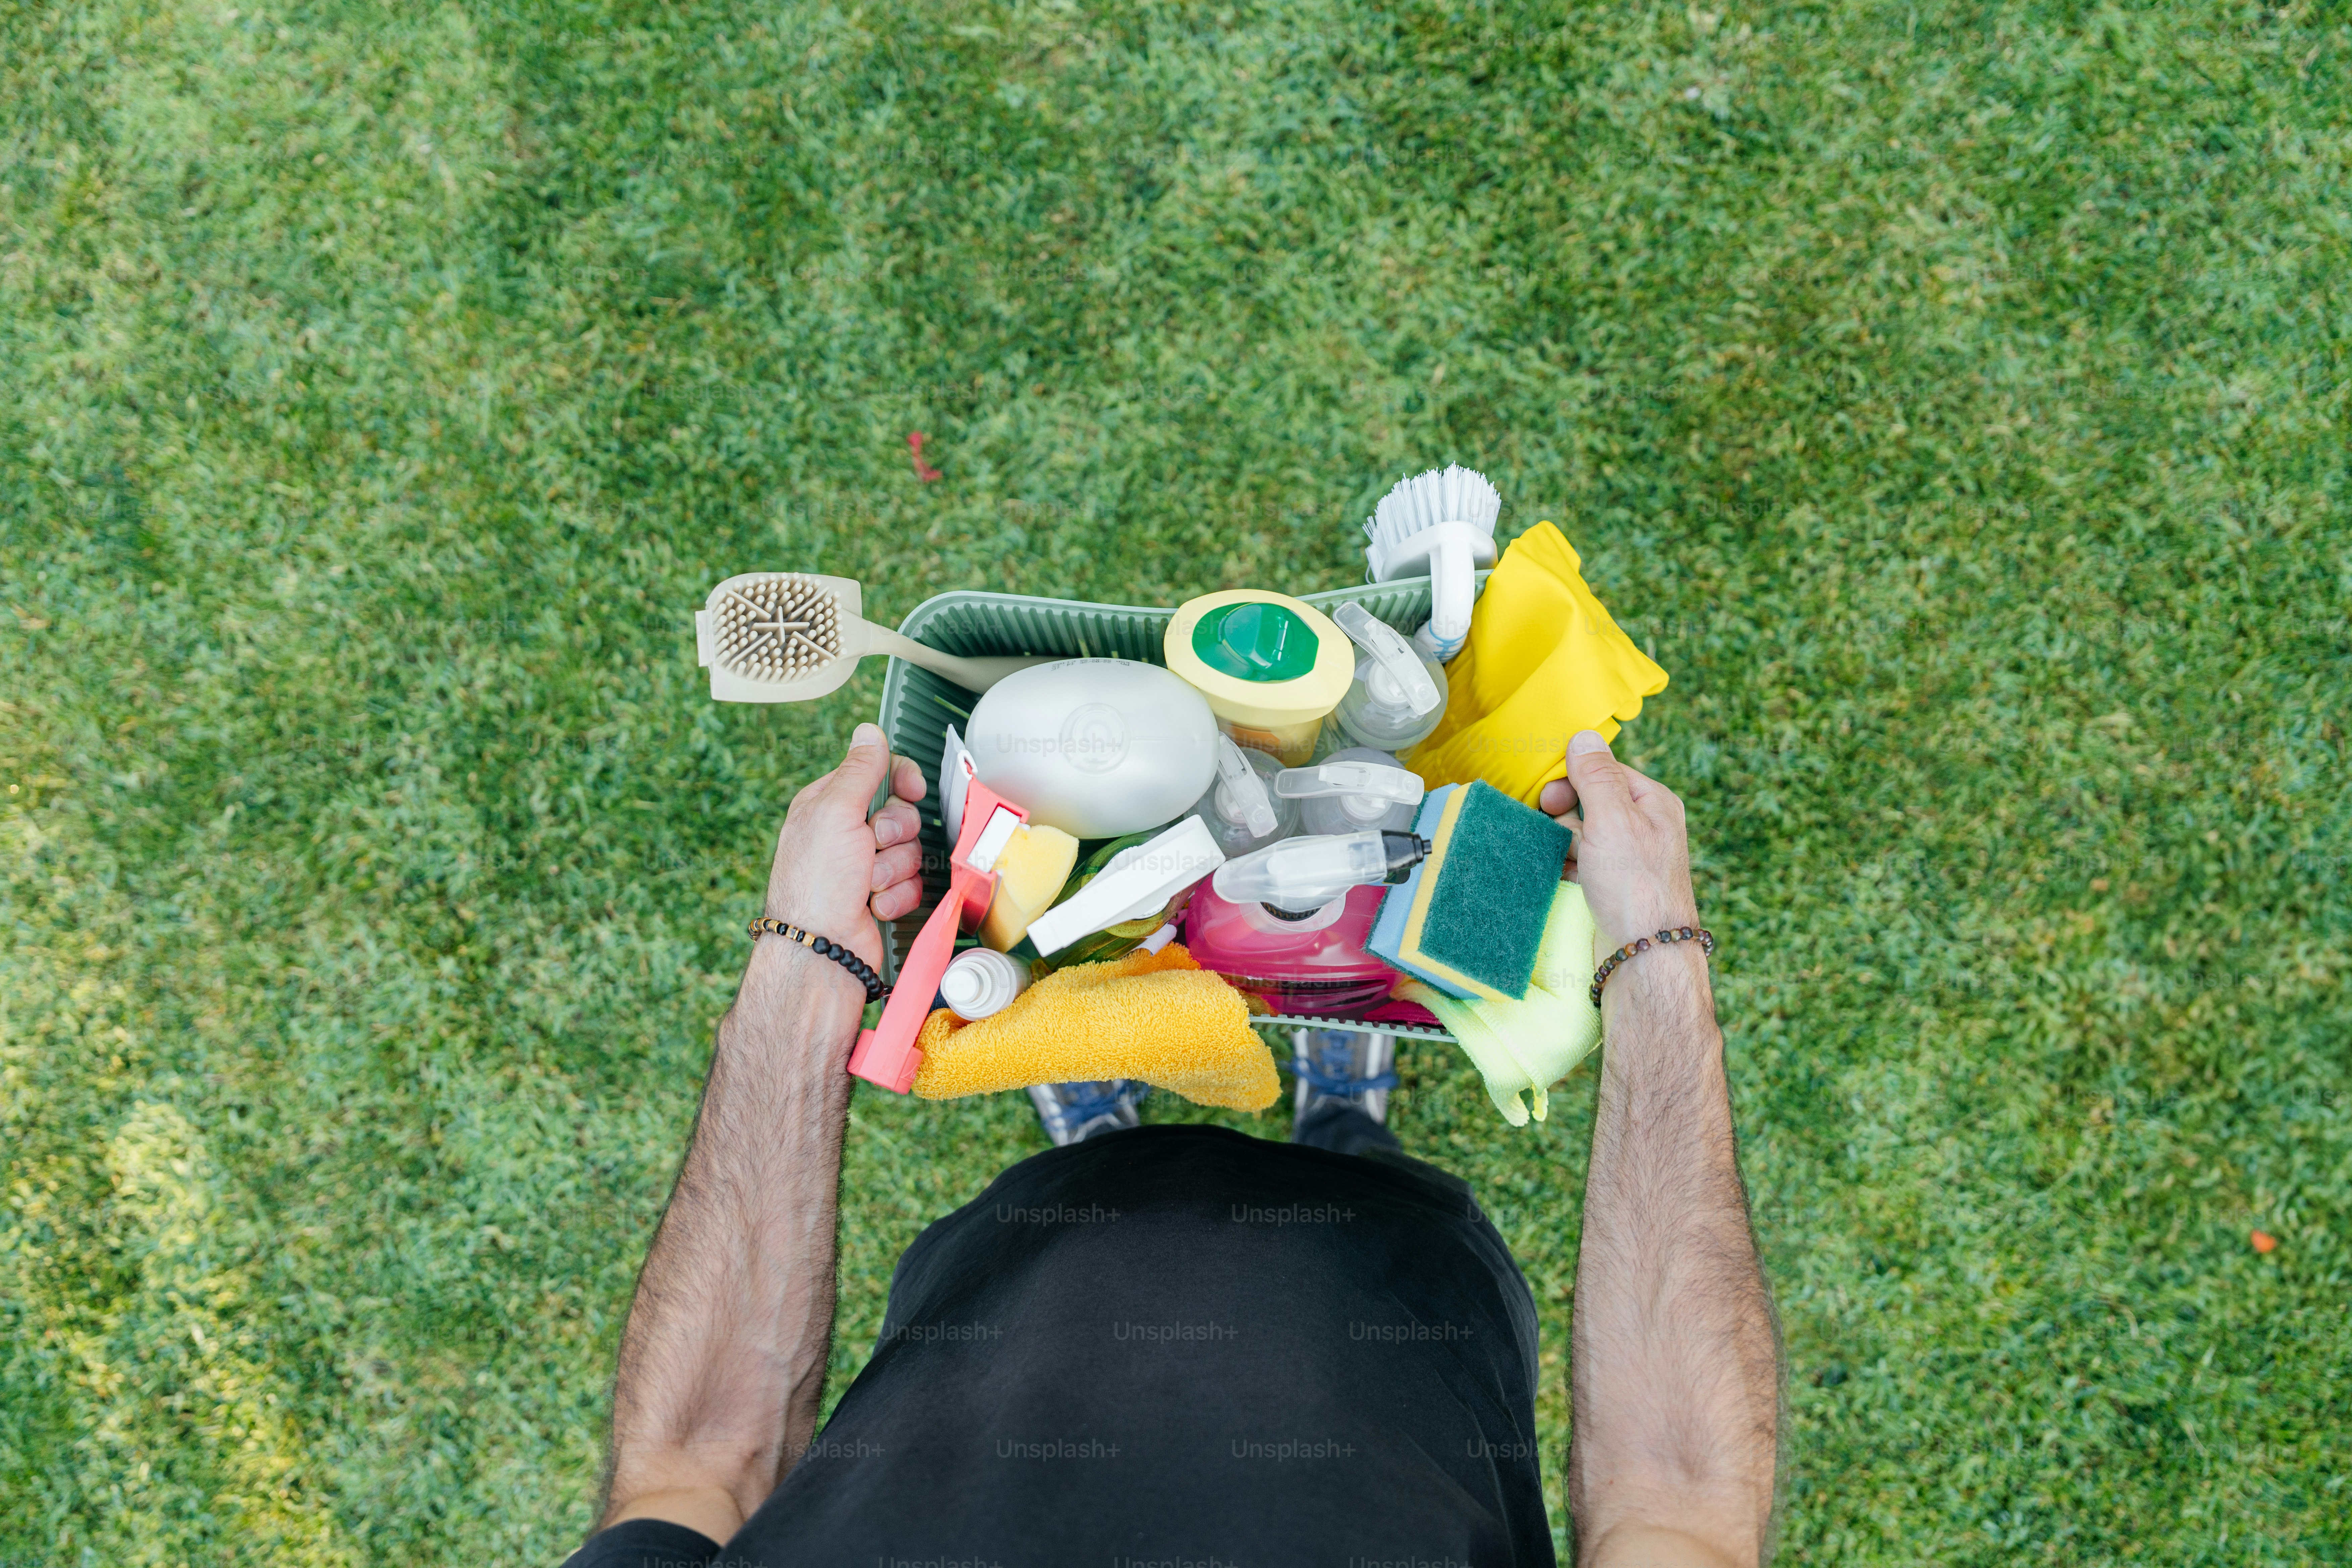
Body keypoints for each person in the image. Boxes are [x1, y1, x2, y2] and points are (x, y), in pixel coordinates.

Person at [562, 724, 1779, 1568]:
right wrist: (1656, 959)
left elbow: (700, 1464)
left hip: (1030, 1261)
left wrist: (806, 963)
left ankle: (1102, 1110)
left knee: (1074, 1188)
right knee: (1360, 1188)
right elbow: (1675, 1501)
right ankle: (1347, 1126)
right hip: (1396, 1290)